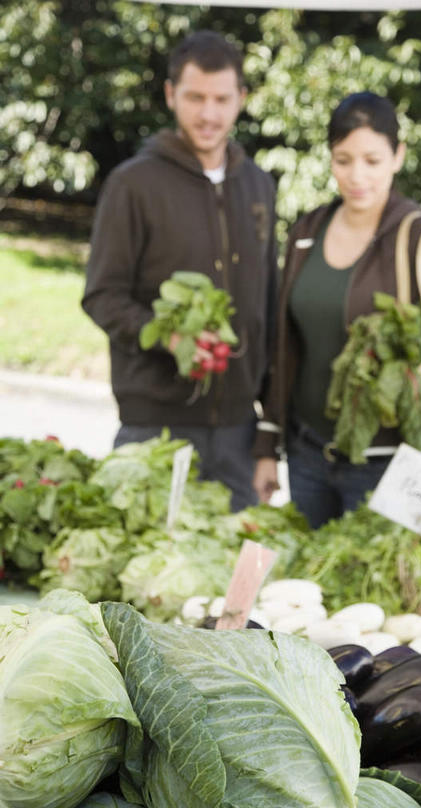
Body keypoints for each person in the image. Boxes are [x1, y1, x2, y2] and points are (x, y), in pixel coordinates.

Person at [252, 91, 421, 529]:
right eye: (343, 160)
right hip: (308, 455)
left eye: (372, 160)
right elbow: (283, 345)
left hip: (390, 468)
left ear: (398, 157)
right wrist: (267, 445)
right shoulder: (307, 232)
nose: (356, 175)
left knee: (368, 597)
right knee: (303, 591)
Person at [83, 30, 277, 512]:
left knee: (233, 578)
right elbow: (102, 295)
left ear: (241, 99)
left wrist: (269, 435)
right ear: (171, 95)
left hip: (238, 429)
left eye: (221, 99)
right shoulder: (133, 184)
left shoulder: (258, 186)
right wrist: (168, 337)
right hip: (155, 423)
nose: (208, 114)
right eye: (195, 97)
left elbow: (268, 304)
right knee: (145, 580)